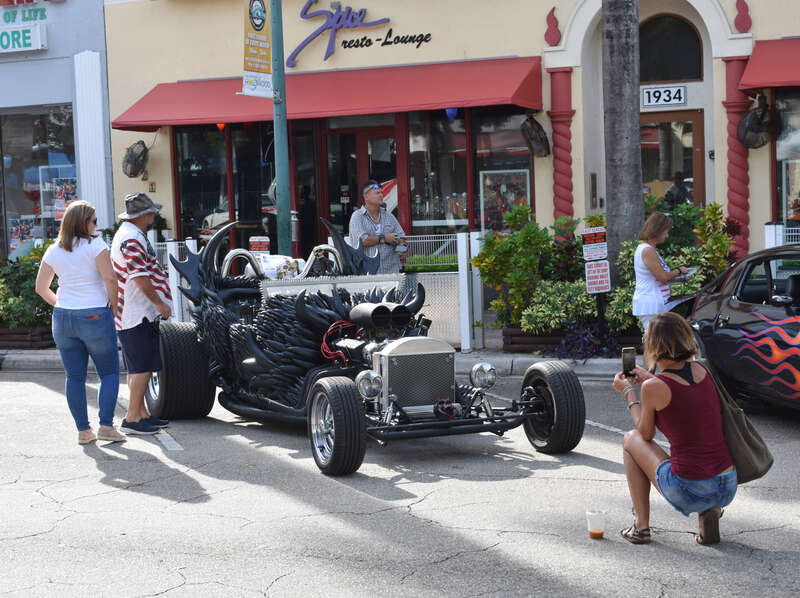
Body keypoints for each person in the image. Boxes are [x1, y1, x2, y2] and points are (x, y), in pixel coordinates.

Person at [612, 312, 736, 546]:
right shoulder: (703, 370)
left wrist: (628, 391)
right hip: (727, 485)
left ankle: (641, 527)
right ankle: (711, 510)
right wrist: (649, 378)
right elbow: (681, 392)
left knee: (630, 440)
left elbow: (645, 433)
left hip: (689, 490)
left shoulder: (653, 387)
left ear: (652, 345)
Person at [35, 201, 126, 445]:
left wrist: (63, 307)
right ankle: (106, 426)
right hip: (95, 314)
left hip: (63, 317)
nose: (97, 225)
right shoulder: (96, 245)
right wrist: (114, 307)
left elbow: (41, 288)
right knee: (109, 373)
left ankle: (84, 432)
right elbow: (110, 278)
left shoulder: (54, 249)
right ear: (82, 222)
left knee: (74, 377)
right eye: (94, 221)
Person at [111, 193, 172, 435]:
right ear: (143, 215)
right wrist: (159, 303)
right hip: (136, 313)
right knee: (142, 367)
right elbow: (139, 278)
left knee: (138, 366)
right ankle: (133, 418)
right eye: (150, 212)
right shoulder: (132, 238)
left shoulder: (128, 235)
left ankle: (141, 413)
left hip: (133, 312)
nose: (153, 215)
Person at [632, 212, 689, 332]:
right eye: (666, 231)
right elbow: (662, 277)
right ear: (657, 230)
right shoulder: (647, 250)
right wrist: (678, 271)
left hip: (652, 304)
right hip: (650, 305)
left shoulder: (648, 249)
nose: (667, 235)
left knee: (656, 342)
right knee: (655, 342)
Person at [348, 179, 407, 274]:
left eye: (381, 193)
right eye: (377, 193)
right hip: (368, 274)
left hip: (392, 272)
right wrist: (384, 238)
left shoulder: (389, 216)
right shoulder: (357, 216)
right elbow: (362, 241)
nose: (381, 195)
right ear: (366, 196)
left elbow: (403, 240)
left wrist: (401, 250)